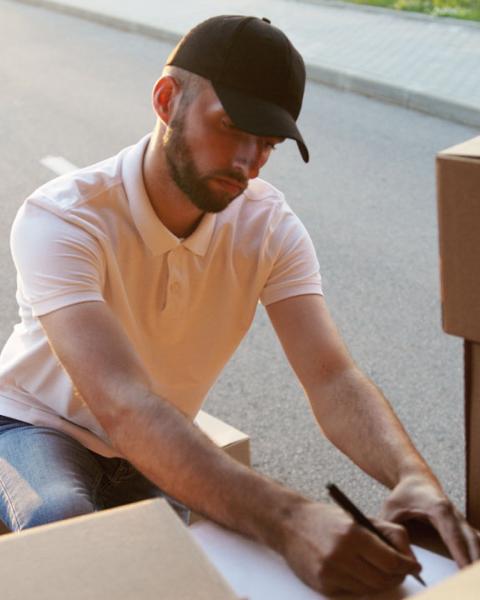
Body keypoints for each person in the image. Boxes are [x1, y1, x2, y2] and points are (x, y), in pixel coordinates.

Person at [0, 14, 477, 596]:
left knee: (188, 570)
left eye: (269, 143)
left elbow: (331, 376)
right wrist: (292, 518)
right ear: (166, 98)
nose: (249, 161)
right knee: (70, 526)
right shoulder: (64, 216)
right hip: (35, 424)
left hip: (158, 438)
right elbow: (122, 403)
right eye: (231, 127)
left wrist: (413, 477)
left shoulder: (267, 225)